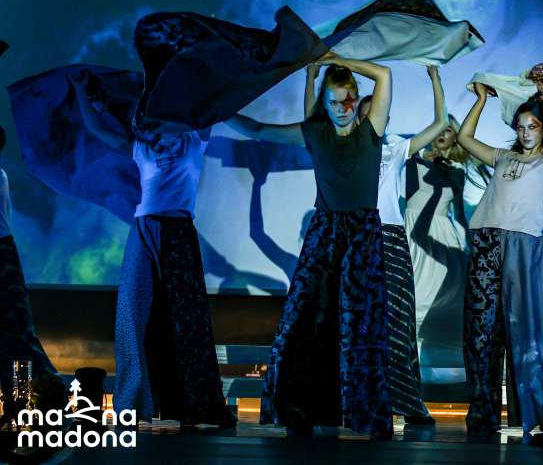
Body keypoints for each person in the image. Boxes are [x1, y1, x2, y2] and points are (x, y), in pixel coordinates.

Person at [226, 53, 393, 438]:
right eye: (334, 102)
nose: (342, 109)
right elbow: (258, 128)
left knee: (361, 324)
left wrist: (338, 59)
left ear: (356, 99)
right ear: (325, 104)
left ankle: (363, 411)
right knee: (306, 318)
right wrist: (216, 112)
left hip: (362, 236)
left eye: (348, 100)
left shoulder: (371, 129)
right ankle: (297, 407)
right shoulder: (316, 133)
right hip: (325, 232)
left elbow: (383, 74)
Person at [71, 73, 235, 427]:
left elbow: (210, 101)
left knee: (187, 319)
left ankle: (193, 404)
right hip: (144, 230)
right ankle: (130, 407)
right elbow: (97, 130)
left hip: (179, 232)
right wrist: (80, 91)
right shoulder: (142, 145)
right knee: (131, 314)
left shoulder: (194, 138)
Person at [301, 62, 448, 427]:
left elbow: (440, 125)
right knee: (352, 320)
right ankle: (351, 401)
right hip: (355, 235)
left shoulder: (395, 147)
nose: (367, 119)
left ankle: (406, 401)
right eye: (361, 114)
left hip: (390, 237)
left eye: (372, 113)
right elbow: (310, 122)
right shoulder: (341, 146)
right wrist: (311, 77)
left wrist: (435, 80)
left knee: (395, 319)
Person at [457, 85, 543, 436]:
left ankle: (539, 416)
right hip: (485, 241)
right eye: (520, 127)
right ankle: (481, 415)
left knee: (527, 331)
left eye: (532, 126)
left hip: (522, 245)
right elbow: (465, 138)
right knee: (480, 332)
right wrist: (481, 100)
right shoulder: (503, 157)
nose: (525, 133)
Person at [404, 115, 479, 382]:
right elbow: (393, 143)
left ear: (456, 136)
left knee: (443, 302)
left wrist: (470, 248)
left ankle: (439, 374)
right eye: (437, 129)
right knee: (413, 298)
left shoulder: (458, 169)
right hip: (414, 233)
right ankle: (406, 370)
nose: (441, 134)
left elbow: (459, 214)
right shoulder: (413, 159)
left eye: (448, 130)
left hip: (444, 239)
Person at [0, 126, 60, 406]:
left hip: (2, 257)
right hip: (4, 255)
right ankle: (19, 399)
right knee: (12, 333)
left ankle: (45, 390)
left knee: (16, 331)